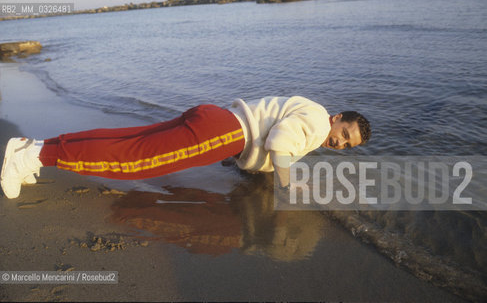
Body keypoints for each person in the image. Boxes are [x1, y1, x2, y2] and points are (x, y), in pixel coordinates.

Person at [1, 96, 371, 199]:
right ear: (338, 117)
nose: (338, 142)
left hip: (217, 118)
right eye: (344, 132)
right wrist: (288, 186)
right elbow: (279, 142)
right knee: (132, 162)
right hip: (227, 134)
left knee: (128, 141)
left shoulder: (314, 112)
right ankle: (36, 156)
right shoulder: (317, 122)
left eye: (347, 145)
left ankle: (34, 147)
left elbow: (276, 143)